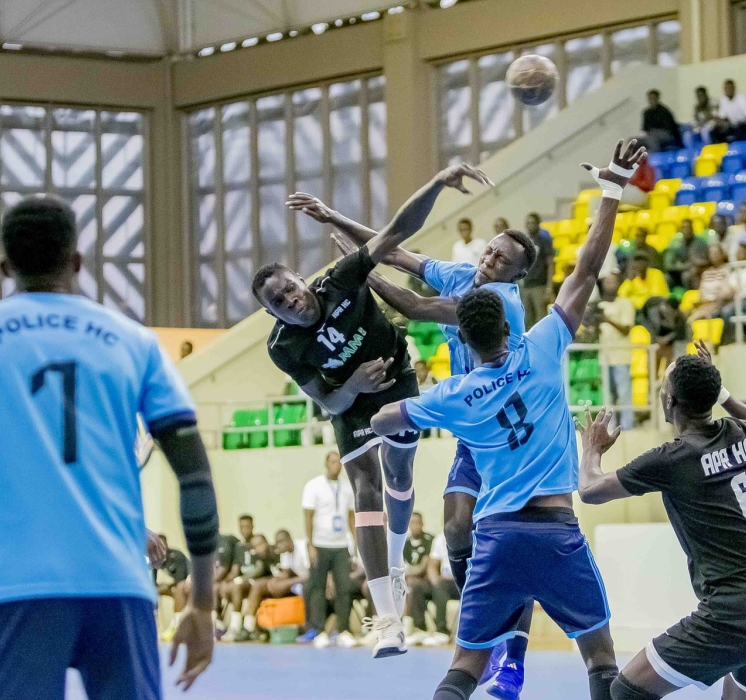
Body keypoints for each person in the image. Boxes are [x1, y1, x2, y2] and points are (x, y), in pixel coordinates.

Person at [0, 196, 218, 697]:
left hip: (15, 589)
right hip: (117, 587)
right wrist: (202, 603)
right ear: (77, 260)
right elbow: (196, 478)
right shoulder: (134, 343)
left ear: (4, 266)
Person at [369, 139, 647, 700]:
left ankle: (500, 658)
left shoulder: (456, 395)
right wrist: (612, 188)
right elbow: (588, 267)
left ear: (460, 336)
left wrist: (397, 415)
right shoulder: (543, 346)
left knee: (462, 670)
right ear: (508, 321)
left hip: (495, 537)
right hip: (555, 533)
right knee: (600, 661)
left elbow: (385, 417)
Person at [303, 189, 539, 692]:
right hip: (475, 438)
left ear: (515, 277)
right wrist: (336, 218)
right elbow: (396, 251)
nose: (490, 258)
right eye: (491, 248)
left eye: (502, 259)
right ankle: (483, 622)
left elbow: (411, 304)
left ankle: (511, 658)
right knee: (456, 531)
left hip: (516, 440)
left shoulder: (496, 302)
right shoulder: (464, 275)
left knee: (509, 545)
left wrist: (358, 269)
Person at [265, 163, 494, 657]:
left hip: (396, 379)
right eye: (279, 303)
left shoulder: (339, 281)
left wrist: (434, 181)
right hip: (348, 403)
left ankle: (393, 565)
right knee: (365, 489)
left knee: (399, 477)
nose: (291, 301)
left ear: (301, 282)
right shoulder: (282, 346)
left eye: (290, 288)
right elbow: (326, 400)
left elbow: (397, 233)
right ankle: (387, 616)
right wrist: (350, 383)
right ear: (273, 313)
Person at [577, 343, 746, 700]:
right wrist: (724, 394)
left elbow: (589, 490)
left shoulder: (672, 458)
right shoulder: (741, 432)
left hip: (732, 616)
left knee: (625, 692)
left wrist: (592, 449)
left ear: (669, 403)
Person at [301, 451, 358, 647]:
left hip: (341, 545)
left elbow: (351, 517)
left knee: (344, 588)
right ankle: (319, 631)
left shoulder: (347, 487)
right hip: (320, 544)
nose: (337, 466)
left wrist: (355, 544)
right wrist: (310, 545)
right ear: (326, 464)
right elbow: (308, 517)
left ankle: (343, 630)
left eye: (339, 462)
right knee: (317, 589)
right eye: (333, 462)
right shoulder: (313, 486)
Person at [598, 272, 638, 431]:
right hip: (604, 355)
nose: (609, 285)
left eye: (612, 282)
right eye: (606, 282)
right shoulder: (600, 306)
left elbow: (626, 329)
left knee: (624, 394)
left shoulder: (625, 303)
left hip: (621, 355)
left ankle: (628, 427)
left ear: (619, 284)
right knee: (608, 396)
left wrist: (607, 319)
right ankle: (610, 427)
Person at [404, 512, 439, 643]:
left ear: (423, 524)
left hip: (427, 581)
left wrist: (408, 574)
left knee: (413, 584)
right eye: (412, 523)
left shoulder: (429, 540)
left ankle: (415, 626)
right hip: (409, 579)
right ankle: (393, 625)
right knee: (402, 584)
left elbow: (424, 567)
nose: (415, 526)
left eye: (418, 523)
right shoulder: (405, 543)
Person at [425, 526, 460, 646]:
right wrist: (436, 583)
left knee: (442, 586)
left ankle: (443, 631)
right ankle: (421, 629)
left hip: (464, 581)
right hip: (446, 583)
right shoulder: (440, 539)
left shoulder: (470, 536)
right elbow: (432, 566)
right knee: (417, 587)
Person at [154, 534, 191, 641]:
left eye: (162, 544)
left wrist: (167, 585)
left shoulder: (177, 555)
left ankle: (176, 624)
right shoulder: (155, 558)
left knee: (179, 588)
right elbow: (153, 580)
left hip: (190, 583)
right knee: (153, 591)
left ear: (167, 545)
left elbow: (180, 579)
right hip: (175, 585)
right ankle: (155, 626)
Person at [685, 244, 733, 323]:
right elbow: (702, 289)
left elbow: (727, 291)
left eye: (716, 253)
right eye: (711, 253)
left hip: (719, 303)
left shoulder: (729, 269)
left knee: (694, 317)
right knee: (686, 310)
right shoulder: (706, 272)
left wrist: (712, 300)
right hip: (704, 301)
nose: (713, 255)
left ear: (722, 254)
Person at [664, 220, 709, 291]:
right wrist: (685, 266)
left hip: (696, 273)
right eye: (683, 228)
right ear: (680, 230)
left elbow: (704, 262)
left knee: (686, 276)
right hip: (679, 273)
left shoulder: (701, 243)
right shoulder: (676, 243)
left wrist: (694, 265)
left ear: (692, 229)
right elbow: (669, 265)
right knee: (667, 277)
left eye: (688, 228)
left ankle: (689, 297)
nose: (686, 230)